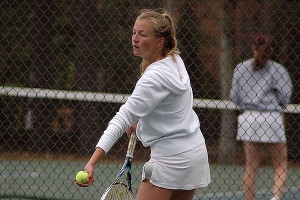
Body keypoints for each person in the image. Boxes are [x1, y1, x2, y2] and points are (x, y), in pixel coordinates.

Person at [76, 9, 211, 200]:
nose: (135, 38)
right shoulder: (175, 60)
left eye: (143, 34)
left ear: (159, 42)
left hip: (171, 160)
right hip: (195, 153)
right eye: (134, 32)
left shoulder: (153, 78)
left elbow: (122, 118)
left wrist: (91, 163)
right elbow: (168, 110)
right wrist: (141, 124)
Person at [230, 34, 293, 200]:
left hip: (249, 118)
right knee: (280, 164)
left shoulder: (240, 68)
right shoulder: (278, 70)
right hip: (272, 118)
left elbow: (234, 96)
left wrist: (249, 102)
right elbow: (285, 97)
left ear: (253, 47)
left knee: (251, 166)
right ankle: (275, 198)